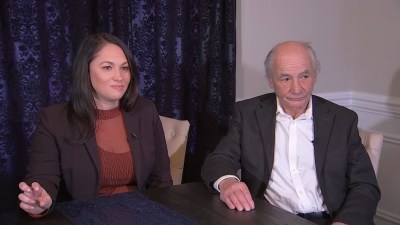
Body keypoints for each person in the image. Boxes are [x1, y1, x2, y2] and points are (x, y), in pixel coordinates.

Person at [201, 41, 380, 225]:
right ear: (271, 81)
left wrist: (345, 222)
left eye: (304, 76)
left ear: (315, 76)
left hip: (331, 219)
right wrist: (228, 182)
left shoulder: (343, 120)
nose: (297, 89)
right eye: (286, 79)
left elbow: (365, 185)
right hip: (271, 218)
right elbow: (219, 159)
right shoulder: (248, 114)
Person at [18, 33, 172, 217]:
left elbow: (161, 180)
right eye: (107, 67)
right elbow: (43, 178)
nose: (119, 76)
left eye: (125, 68)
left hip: (142, 214)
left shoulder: (146, 111)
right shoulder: (54, 119)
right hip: (85, 216)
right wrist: (40, 202)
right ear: (86, 71)